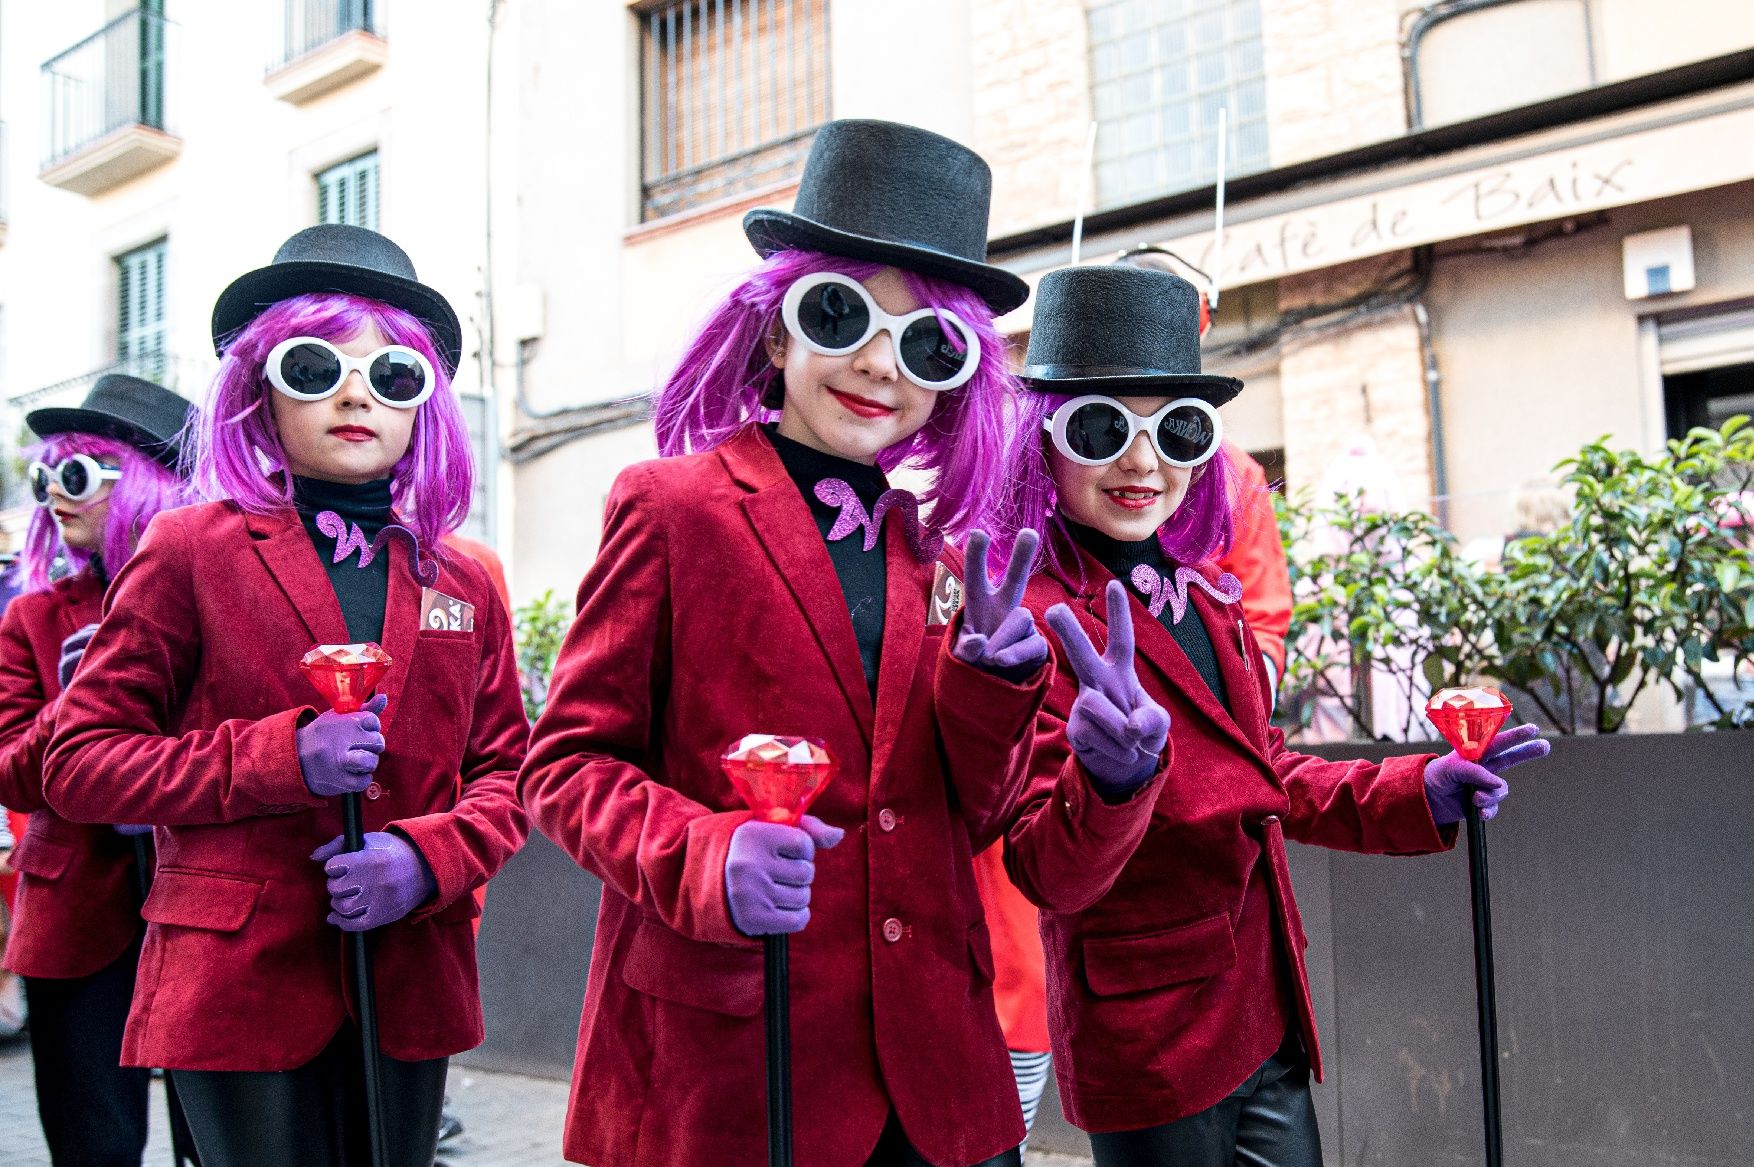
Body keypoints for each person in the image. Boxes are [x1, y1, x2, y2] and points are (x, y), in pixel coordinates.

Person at [520, 119, 1051, 1167]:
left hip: (937, 1073)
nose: (875, 364)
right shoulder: (673, 508)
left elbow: (973, 812)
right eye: (839, 314)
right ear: (775, 334)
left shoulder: (942, 559)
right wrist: (706, 856)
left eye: (926, 343)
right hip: (735, 1064)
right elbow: (565, 765)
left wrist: (995, 689)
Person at [991, 265, 1550, 1167]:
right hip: (1151, 1040)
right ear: (1040, 443)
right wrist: (1115, 780)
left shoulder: (1210, 599)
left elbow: (1273, 775)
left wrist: (1422, 789)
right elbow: (1046, 870)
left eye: (1176, 428)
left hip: (1265, 1011)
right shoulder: (1034, 617)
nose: (1143, 462)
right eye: (1101, 426)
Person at [43, 226, 530, 1167]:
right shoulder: (190, 549)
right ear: (261, 392)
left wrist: (429, 860)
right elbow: (77, 762)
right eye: (317, 367)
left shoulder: (463, 580)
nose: (357, 393)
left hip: (409, 980)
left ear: (423, 405)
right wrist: (278, 758)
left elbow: (509, 772)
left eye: (393, 376)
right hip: (234, 984)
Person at [0, 375, 194, 1165]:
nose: (54, 496)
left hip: (202, 911)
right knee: (92, 1147)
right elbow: (8, 772)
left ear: (143, 482)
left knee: (216, 1141)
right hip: (77, 914)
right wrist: (73, 703)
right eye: (46, 478)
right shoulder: (34, 616)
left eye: (76, 475)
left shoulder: (212, 594)